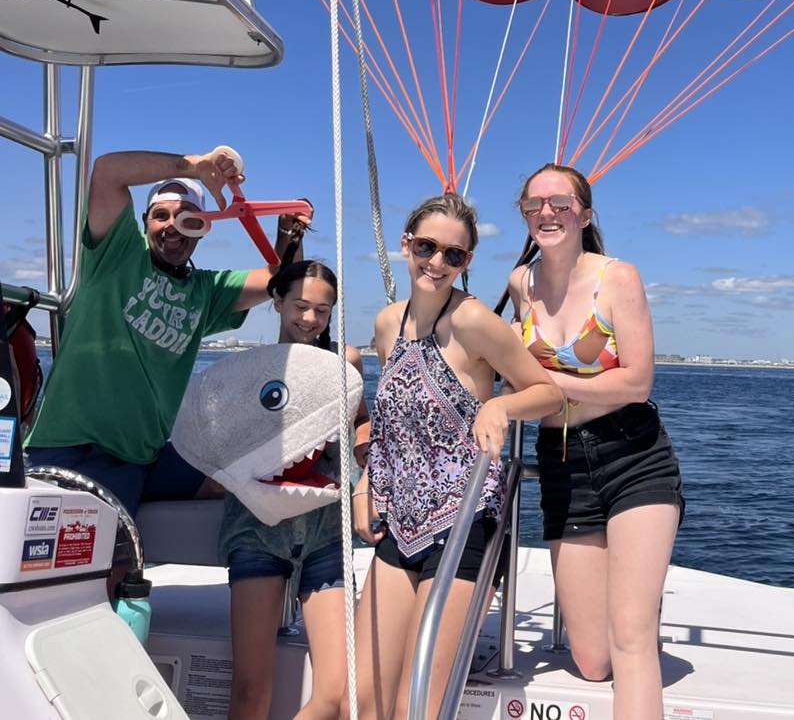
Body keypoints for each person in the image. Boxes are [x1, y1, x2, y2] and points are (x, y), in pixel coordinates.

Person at [353, 192, 561, 720]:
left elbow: (549, 392)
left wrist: (502, 407)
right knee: (366, 698)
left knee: (413, 706)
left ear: (467, 262)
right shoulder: (386, 325)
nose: (437, 262)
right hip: (398, 524)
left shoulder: (472, 322)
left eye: (454, 255)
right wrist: (363, 487)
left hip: (462, 522)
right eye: (427, 247)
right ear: (406, 245)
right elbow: (391, 425)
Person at [26, 146, 294, 516]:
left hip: (140, 459)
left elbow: (276, 280)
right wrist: (194, 166)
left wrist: (289, 232)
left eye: (187, 217)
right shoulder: (117, 254)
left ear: (202, 228)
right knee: (99, 561)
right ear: (144, 222)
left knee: (243, 479)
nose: (171, 225)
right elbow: (107, 171)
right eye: (161, 215)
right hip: (70, 446)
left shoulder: (207, 291)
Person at [505, 163, 683, 720]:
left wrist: (541, 388)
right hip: (560, 463)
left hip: (633, 455)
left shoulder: (617, 278)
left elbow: (636, 381)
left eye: (560, 203)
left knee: (630, 640)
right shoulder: (520, 283)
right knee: (590, 658)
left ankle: (635, 612)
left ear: (584, 213)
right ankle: (631, 605)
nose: (547, 213)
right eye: (534, 205)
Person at [221, 257, 366, 720]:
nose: (309, 319)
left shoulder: (346, 363)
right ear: (277, 301)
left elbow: (361, 428)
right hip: (257, 531)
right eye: (300, 305)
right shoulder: (248, 370)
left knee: (340, 692)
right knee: (250, 690)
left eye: (322, 311)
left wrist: (372, 461)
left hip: (325, 531)